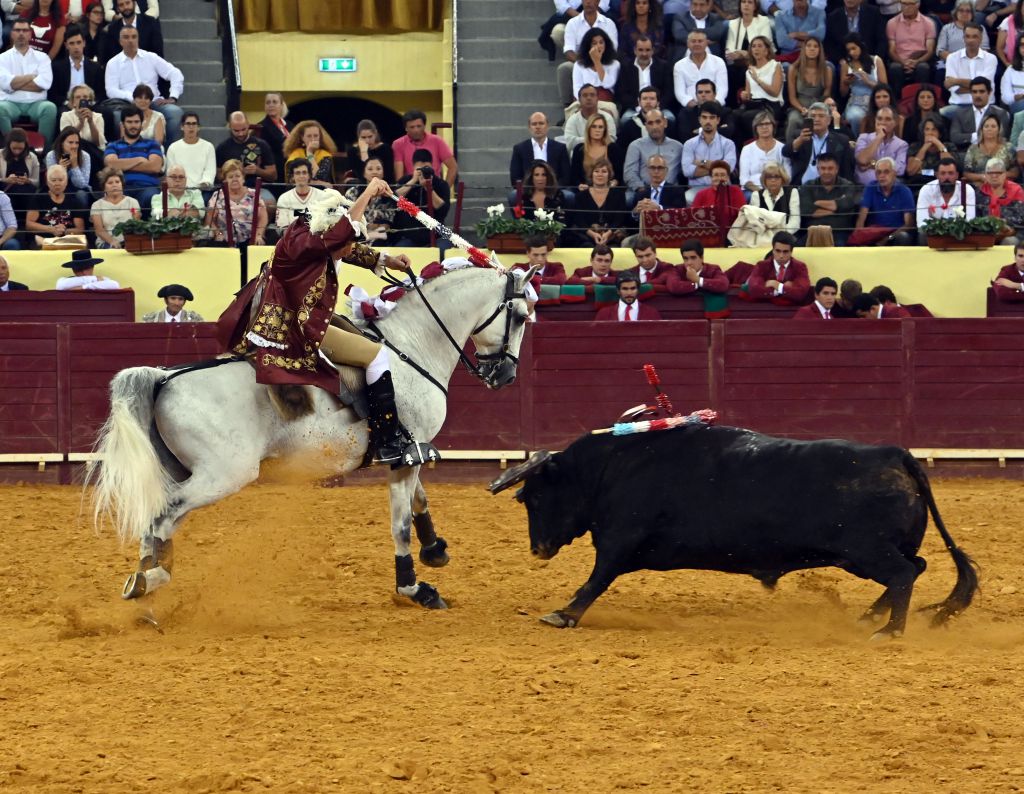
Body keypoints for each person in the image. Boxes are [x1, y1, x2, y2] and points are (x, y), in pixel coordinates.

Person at [216, 180, 421, 466]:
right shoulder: (309, 241)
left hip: (296, 318)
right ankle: (388, 440)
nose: (348, 245)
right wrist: (367, 193)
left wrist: (387, 260)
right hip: (298, 328)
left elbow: (348, 246)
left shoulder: (308, 233)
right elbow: (344, 234)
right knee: (377, 355)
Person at [102, 26, 182, 141]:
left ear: (138, 39)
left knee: (175, 113)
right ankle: (124, 152)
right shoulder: (113, 63)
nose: (130, 40)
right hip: (128, 104)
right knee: (116, 117)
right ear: (120, 41)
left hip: (154, 102)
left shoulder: (151, 57)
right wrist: (134, 99)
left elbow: (175, 73)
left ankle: (168, 152)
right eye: (126, 37)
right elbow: (111, 90)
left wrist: (173, 96)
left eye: (134, 37)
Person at [0, 18, 57, 146]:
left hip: (37, 104)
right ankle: (10, 151)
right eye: (17, 30)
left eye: (25, 30)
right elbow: (5, 84)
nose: (21, 33)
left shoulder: (43, 58)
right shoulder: (2, 58)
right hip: (10, 104)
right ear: (12, 33)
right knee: (0, 108)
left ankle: (44, 154)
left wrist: (14, 83)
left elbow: (45, 84)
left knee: (50, 108)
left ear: (30, 34)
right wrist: (32, 77)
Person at [557, 0, 619, 106]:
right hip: (580, 61)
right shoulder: (572, 23)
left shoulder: (608, 23)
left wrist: (597, 61)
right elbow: (569, 51)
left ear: (598, 1)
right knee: (564, 68)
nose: (588, 2)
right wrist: (587, 62)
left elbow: (612, 50)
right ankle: (568, 106)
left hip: (605, 63)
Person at [103, 105, 163, 209]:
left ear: (142, 124)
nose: (133, 125)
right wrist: (139, 160)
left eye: (136, 122)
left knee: (152, 197)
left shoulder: (152, 144)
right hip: (121, 188)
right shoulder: (113, 145)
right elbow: (111, 165)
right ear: (122, 125)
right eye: (129, 122)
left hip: (147, 187)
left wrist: (122, 165)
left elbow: (155, 167)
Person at [216, 111, 277, 209]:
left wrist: (258, 170)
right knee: (218, 206)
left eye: (244, 129)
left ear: (248, 125)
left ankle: (260, 225)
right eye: (236, 130)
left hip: (257, 188)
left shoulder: (261, 145)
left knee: (270, 204)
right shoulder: (222, 148)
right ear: (230, 127)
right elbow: (218, 175)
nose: (240, 133)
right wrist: (231, 175)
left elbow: (273, 175)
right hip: (232, 189)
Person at [783, 101, 855, 184]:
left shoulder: (841, 140)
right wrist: (800, 140)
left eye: (821, 116)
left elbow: (847, 170)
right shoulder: (798, 136)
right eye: (813, 116)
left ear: (829, 120)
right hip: (802, 187)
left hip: (831, 189)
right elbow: (785, 152)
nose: (816, 119)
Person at [391, 148, 450, 247]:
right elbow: (394, 199)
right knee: (401, 248)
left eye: (426, 168)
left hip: (436, 235)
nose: (423, 172)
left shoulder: (441, 184)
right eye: (419, 169)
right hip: (409, 236)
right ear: (413, 167)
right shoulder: (405, 181)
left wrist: (429, 188)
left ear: (432, 166)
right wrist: (413, 181)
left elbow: (442, 210)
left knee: (444, 248)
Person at [681, 101, 737, 203]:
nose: (708, 121)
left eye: (712, 117)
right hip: (697, 189)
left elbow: (728, 169)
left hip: (723, 188)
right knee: (686, 198)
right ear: (699, 120)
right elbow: (687, 171)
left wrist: (701, 163)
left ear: (718, 120)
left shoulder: (728, 144)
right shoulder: (689, 144)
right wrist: (718, 167)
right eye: (704, 117)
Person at [798, 151, 860, 245]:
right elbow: (807, 210)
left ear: (837, 169)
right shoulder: (808, 186)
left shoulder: (848, 185)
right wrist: (837, 209)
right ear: (818, 169)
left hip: (840, 232)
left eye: (830, 168)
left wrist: (817, 203)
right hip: (812, 233)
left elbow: (848, 204)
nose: (826, 172)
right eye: (823, 168)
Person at [205, 158, 268, 246]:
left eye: (237, 176)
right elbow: (210, 220)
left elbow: (263, 218)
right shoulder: (217, 195)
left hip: (250, 240)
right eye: (230, 177)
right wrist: (218, 234)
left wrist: (258, 235)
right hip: (224, 241)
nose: (234, 179)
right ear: (225, 180)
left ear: (243, 178)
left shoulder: (254, 195)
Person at [672, 30, 728, 127]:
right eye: (693, 41)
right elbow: (680, 93)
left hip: (715, 106)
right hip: (691, 108)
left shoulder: (719, 62)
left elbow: (723, 89)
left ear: (706, 43)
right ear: (688, 43)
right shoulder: (679, 65)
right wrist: (694, 105)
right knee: (682, 116)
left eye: (700, 41)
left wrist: (712, 105)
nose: (697, 44)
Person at [854, 157, 915, 245]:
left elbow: (909, 224)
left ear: (894, 173)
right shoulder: (870, 188)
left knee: (903, 236)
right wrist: (859, 238)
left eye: (886, 172)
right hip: (875, 234)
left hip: (895, 235)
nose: (882, 175)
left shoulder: (904, 191)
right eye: (879, 172)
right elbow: (861, 218)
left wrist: (888, 238)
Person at [569, 156, 628, 246]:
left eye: (604, 171)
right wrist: (593, 234)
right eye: (596, 171)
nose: (600, 174)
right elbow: (579, 220)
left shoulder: (618, 195)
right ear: (591, 174)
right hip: (587, 237)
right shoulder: (581, 196)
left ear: (609, 175)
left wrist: (608, 234)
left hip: (611, 237)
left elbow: (619, 219)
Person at [735, 35, 783, 143]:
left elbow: (775, 92)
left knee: (747, 117)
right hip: (753, 104)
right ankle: (742, 147)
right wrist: (745, 95)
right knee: (734, 115)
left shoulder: (775, 66)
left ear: (766, 50)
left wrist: (757, 80)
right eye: (753, 46)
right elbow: (749, 95)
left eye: (760, 46)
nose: (756, 49)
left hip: (770, 105)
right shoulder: (749, 71)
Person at [615, 36, 674, 123]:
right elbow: (621, 93)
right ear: (635, 50)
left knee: (670, 118)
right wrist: (638, 106)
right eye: (641, 50)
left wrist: (657, 106)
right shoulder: (626, 67)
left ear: (652, 50)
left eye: (647, 50)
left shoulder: (663, 66)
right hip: (635, 108)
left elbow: (669, 91)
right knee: (625, 120)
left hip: (659, 107)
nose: (644, 54)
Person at [392, 109, 458, 186]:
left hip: (434, 187)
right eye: (412, 127)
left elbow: (453, 167)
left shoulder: (437, 141)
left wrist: (444, 190)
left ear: (424, 126)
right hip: (410, 188)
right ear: (406, 128)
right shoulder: (398, 144)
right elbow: (399, 178)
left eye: (419, 126)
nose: (416, 130)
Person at [785, 36, 832, 144]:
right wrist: (803, 110)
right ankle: (790, 150)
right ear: (804, 49)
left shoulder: (827, 70)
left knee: (822, 119)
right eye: (809, 46)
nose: (812, 49)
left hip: (819, 105)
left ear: (820, 50)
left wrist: (817, 109)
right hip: (799, 106)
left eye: (815, 46)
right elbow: (792, 97)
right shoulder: (794, 69)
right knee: (794, 120)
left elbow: (827, 93)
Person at [25, 163, 86, 246]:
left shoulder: (74, 201)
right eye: (53, 180)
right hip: (43, 239)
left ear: (66, 182)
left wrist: (63, 231)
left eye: (61, 180)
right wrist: (51, 229)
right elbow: (29, 225)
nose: (57, 183)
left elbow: (79, 229)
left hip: (66, 240)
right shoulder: (38, 199)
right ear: (47, 182)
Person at [840, 34, 888, 137]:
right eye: (849, 50)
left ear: (861, 46)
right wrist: (846, 82)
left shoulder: (876, 61)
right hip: (856, 103)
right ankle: (858, 143)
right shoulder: (846, 65)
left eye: (854, 48)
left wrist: (868, 81)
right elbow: (843, 93)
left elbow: (885, 89)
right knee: (856, 117)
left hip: (876, 102)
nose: (852, 53)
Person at [885, 0, 936, 96]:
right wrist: (903, 62)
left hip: (920, 59)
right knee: (894, 68)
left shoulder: (929, 23)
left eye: (910, 4)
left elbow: (930, 50)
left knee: (923, 68)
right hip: (899, 60)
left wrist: (916, 62)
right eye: (904, 3)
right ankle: (897, 101)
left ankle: (920, 99)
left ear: (918, 5)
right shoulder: (891, 23)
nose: (906, 7)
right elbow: (891, 50)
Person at [943, 23, 996, 114]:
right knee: (941, 114)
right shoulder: (952, 58)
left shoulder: (991, 58)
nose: (970, 40)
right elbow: (954, 89)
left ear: (981, 38)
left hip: (985, 106)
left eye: (974, 37)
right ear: (963, 38)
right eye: (967, 36)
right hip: (958, 106)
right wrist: (980, 89)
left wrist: (956, 81)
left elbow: (984, 85)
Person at [623, 108, 683, 188]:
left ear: (665, 123)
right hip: (643, 190)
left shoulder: (678, 147)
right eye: (650, 123)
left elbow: (686, 171)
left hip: (670, 192)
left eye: (658, 122)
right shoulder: (636, 146)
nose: (654, 127)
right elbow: (629, 174)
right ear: (646, 126)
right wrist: (642, 190)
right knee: (629, 198)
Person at [745, 231, 811, 303]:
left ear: (791, 252)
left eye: (785, 252)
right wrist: (785, 289)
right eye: (778, 251)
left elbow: (800, 293)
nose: (781, 256)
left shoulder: (800, 267)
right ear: (773, 250)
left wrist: (777, 285)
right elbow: (754, 289)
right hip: (765, 308)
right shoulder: (761, 266)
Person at [48, 23, 104, 109]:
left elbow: (101, 94)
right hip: (67, 105)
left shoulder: (95, 67)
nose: (76, 47)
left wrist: (90, 103)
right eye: (72, 43)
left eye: (79, 42)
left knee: (107, 113)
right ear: (66, 45)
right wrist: (67, 103)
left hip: (90, 105)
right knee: (61, 114)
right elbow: (53, 94)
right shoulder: (57, 67)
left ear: (84, 43)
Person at [510, 111, 571, 187]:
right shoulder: (519, 149)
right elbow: (515, 178)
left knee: (569, 196)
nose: (537, 127)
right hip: (528, 191)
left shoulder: (560, 148)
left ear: (547, 126)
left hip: (555, 190)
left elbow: (566, 176)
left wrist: (553, 190)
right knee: (513, 196)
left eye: (541, 123)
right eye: (534, 124)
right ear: (529, 127)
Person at [950, 77, 1010, 151]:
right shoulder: (960, 113)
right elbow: (954, 137)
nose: (978, 95)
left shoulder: (1000, 114)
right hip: (965, 153)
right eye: (974, 92)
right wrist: (975, 136)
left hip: (993, 154)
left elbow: (1002, 137)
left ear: (989, 92)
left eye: (981, 91)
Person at [853, 106, 908, 186]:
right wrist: (879, 138)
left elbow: (900, 170)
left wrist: (873, 164)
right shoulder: (864, 138)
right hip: (863, 187)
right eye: (879, 119)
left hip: (889, 188)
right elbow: (862, 160)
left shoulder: (901, 145)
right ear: (875, 121)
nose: (883, 122)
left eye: (888, 119)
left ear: (895, 122)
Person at [916, 156, 976, 229]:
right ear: (937, 175)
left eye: (950, 173)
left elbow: (970, 220)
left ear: (957, 175)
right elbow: (921, 222)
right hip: (933, 234)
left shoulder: (967, 190)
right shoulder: (926, 190)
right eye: (943, 173)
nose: (947, 177)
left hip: (959, 234)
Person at [341, 157, 391, 243]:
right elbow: (346, 219)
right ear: (364, 173)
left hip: (377, 240)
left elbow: (384, 228)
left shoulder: (388, 195)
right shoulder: (352, 192)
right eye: (370, 169)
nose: (374, 172)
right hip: (353, 234)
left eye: (378, 168)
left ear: (383, 173)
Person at [739, 111, 791, 193]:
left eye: (767, 124)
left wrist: (773, 191)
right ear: (755, 128)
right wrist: (759, 192)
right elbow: (744, 179)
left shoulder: (782, 148)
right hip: (753, 191)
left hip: (777, 190)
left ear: (773, 126)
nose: (764, 127)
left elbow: (788, 176)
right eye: (760, 124)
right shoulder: (747, 149)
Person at [280, 159, 340, 229]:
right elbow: (282, 228)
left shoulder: (323, 196)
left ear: (309, 175)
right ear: (292, 176)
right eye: (297, 173)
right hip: (292, 237)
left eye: (304, 172)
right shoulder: (283, 198)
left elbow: (329, 224)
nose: (301, 176)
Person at [165, 112, 216, 193]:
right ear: (182, 127)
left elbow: (210, 171)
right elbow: (171, 173)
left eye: (194, 124)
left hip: (202, 190)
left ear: (198, 127)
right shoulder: (173, 148)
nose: (191, 127)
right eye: (188, 124)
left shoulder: (208, 147)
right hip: (179, 190)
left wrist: (200, 187)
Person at [569, 112, 624, 185]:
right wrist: (579, 185)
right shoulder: (579, 149)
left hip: (609, 189)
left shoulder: (613, 148)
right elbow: (574, 175)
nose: (597, 130)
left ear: (605, 130)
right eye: (594, 126)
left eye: (600, 127)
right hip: (585, 190)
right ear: (588, 129)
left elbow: (619, 174)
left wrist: (615, 182)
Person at [90, 166, 139, 248]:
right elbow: (99, 230)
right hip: (106, 242)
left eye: (117, 182)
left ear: (122, 184)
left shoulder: (132, 202)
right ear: (104, 187)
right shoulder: (97, 205)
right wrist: (112, 241)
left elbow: (136, 224)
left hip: (128, 241)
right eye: (110, 183)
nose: (114, 185)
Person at [689, 159, 746, 229]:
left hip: (732, 232)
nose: (719, 178)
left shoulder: (736, 191)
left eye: (723, 175)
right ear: (711, 177)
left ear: (728, 177)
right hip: (707, 232)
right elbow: (693, 217)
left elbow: (742, 215)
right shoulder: (701, 194)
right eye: (716, 175)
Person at [517, 160, 568, 239]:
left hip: (554, 238)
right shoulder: (524, 197)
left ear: (548, 177)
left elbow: (561, 222)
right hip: (530, 238)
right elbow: (522, 224)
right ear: (531, 177)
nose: (540, 178)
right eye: (536, 175)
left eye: (544, 175)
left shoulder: (557, 195)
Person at [979, 158, 1024, 244]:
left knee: (1009, 242)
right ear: (985, 175)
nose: (994, 176)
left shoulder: (1017, 190)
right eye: (990, 173)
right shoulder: (980, 192)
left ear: (1005, 174)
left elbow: (1020, 217)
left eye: (998, 173)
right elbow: (977, 216)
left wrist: (1002, 225)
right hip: (987, 232)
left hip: (1014, 232)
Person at [963, 114, 1017, 184]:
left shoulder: (1008, 147)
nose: (989, 129)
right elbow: (966, 173)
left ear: (999, 129)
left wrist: (997, 176)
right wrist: (982, 177)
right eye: (986, 126)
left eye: (993, 126)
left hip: (1003, 186)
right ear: (981, 129)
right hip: (979, 188)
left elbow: (1015, 172)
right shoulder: (973, 149)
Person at [664, 238, 729, 296]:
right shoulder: (677, 269)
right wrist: (698, 284)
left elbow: (723, 284)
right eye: (685, 258)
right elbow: (673, 286)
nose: (689, 262)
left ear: (702, 258)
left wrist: (697, 279)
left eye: (693, 258)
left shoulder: (713, 269)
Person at [749, 162, 800, 234]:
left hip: (786, 236)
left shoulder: (792, 192)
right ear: (764, 180)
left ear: (783, 179)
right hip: (763, 235)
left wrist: (782, 234)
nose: (773, 180)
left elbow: (795, 221)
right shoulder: (756, 195)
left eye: (777, 176)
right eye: (769, 177)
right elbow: (755, 221)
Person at [283, 120, 336, 189]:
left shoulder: (325, 155)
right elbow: (292, 182)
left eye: (316, 136)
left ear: (320, 137)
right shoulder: (295, 155)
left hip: (321, 193)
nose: (313, 139)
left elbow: (320, 177)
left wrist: (309, 154)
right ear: (302, 138)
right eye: (309, 136)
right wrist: (319, 183)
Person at [572, 27, 619, 103]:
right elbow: (577, 88)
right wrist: (586, 101)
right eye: (594, 43)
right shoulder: (579, 65)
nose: (598, 46)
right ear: (588, 46)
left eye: (601, 42)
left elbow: (608, 84)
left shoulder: (614, 64)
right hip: (584, 102)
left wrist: (597, 61)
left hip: (605, 102)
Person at [0, 128, 41, 211]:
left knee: (31, 194)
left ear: (25, 146)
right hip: (5, 188)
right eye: (14, 148)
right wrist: (6, 180)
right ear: (8, 145)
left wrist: (28, 180)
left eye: (20, 149)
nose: (17, 151)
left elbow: (37, 182)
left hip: (26, 190)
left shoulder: (32, 157)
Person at [594, 270, 661, 320]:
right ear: (618, 291)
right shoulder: (603, 314)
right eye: (625, 289)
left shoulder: (652, 313)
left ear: (638, 290)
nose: (629, 293)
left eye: (633, 288)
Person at [347, 118, 395, 184]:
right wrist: (364, 153)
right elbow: (361, 176)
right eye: (363, 137)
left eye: (370, 137)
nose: (367, 141)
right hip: (361, 185)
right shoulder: (352, 151)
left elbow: (388, 175)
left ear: (375, 134)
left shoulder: (385, 149)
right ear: (359, 136)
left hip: (383, 183)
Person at [259, 91, 291, 187]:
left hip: (291, 171)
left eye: (274, 102)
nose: (271, 105)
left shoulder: (289, 125)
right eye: (268, 102)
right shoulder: (261, 127)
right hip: (276, 173)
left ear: (281, 105)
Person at [60, 84, 105, 150]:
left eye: (85, 97)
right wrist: (81, 123)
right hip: (72, 150)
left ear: (90, 101)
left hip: (93, 152)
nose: (82, 100)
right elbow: (66, 139)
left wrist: (91, 122)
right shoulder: (65, 116)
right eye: (78, 97)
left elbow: (98, 143)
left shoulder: (98, 117)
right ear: (73, 102)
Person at [55, 248, 121, 290]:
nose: (84, 272)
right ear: (74, 270)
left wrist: (83, 287)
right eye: (79, 269)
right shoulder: (99, 280)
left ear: (92, 267)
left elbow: (115, 285)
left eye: (86, 268)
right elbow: (60, 286)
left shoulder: (103, 280)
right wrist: (94, 279)